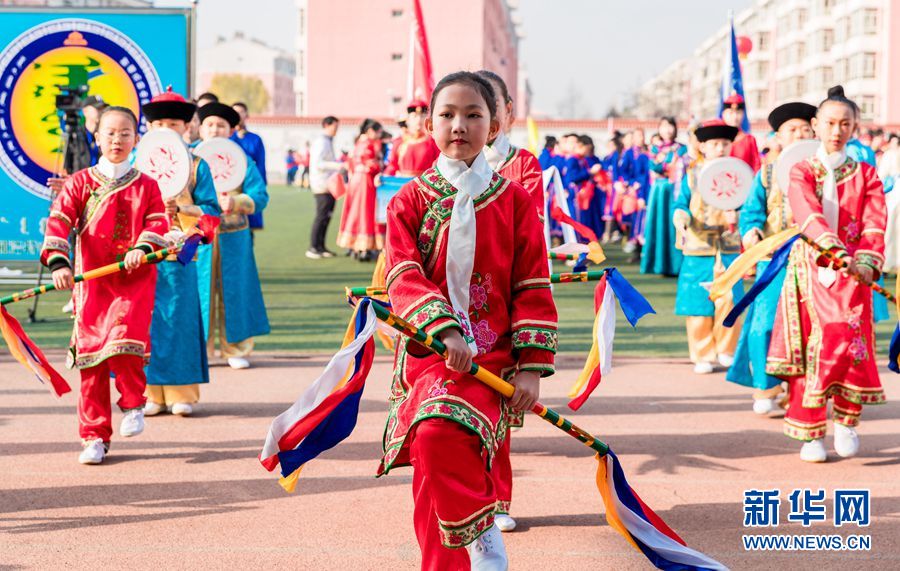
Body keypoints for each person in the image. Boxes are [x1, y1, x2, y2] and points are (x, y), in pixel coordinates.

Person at [379, 71, 556, 570]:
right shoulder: (408, 200)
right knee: (430, 461)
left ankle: (479, 542)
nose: (460, 125)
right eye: (448, 115)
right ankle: (463, 552)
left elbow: (532, 287)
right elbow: (403, 272)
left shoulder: (515, 202)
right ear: (429, 125)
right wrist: (444, 329)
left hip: (493, 360)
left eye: (474, 115)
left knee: (438, 441)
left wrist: (530, 366)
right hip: (430, 356)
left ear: (495, 124)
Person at [41, 106, 168, 465]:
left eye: (125, 133)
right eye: (110, 133)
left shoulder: (147, 185)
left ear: (136, 139)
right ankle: (94, 436)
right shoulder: (80, 182)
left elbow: (158, 222)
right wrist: (60, 264)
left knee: (125, 345)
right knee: (92, 360)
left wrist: (142, 248)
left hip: (133, 281)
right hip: (92, 283)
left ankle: (133, 405)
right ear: (97, 137)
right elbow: (58, 222)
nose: (117, 140)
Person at [766, 86, 887, 463]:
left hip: (854, 277)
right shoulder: (802, 169)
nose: (837, 130)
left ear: (855, 128)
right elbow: (807, 210)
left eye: (845, 124)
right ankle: (811, 431)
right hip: (810, 271)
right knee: (809, 348)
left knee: (850, 344)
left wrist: (867, 260)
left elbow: (875, 220)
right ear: (816, 125)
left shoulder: (866, 174)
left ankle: (847, 421)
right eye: (830, 123)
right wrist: (832, 250)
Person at [476, 68, 545, 535]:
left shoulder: (522, 165)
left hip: (501, 300)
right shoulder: (434, 171)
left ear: (504, 114)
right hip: (451, 308)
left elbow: (529, 227)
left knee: (497, 404)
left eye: (484, 107)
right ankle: (459, 498)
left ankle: (497, 501)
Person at [727, 102, 816, 414]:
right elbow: (751, 213)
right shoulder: (765, 174)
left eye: (806, 129)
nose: (800, 134)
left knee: (810, 328)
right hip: (774, 261)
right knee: (763, 325)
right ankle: (766, 388)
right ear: (778, 137)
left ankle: (804, 391)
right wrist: (750, 231)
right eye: (792, 129)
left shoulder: (824, 171)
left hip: (816, 263)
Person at [140, 89, 221, 417]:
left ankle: (181, 393)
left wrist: (185, 208)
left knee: (181, 321)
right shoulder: (137, 164)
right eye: (158, 123)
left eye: (173, 123)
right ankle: (150, 393)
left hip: (181, 254)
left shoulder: (198, 165)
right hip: (143, 255)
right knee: (147, 322)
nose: (165, 129)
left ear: (187, 127)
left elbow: (213, 211)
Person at [195, 102, 270, 370]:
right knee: (198, 291)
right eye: (210, 125)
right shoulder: (190, 159)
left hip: (234, 234)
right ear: (200, 129)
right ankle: (198, 348)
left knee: (236, 290)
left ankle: (235, 347)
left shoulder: (242, 160)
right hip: (197, 236)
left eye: (221, 125)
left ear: (230, 130)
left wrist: (236, 202)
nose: (215, 129)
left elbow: (260, 196)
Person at [672, 119, 744, 375]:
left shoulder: (739, 174)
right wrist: (681, 217)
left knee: (731, 299)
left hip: (728, 245)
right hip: (698, 246)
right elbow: (681, 203)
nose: (721, 148)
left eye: (725, 143)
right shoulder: (692, 175)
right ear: (702, 146)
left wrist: (740, 217)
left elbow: (749, 206)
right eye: (715, 143)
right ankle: (702, 353)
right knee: (698, 304)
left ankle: (727, 349)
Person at [641, 117, 686, 276]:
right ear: (659, 129)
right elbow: (654, 167)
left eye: (671, 126)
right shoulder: (654, 149)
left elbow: (664, 166)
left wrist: (665, 165)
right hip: (659, 190)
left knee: (674, 224)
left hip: (675, 188)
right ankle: (658, 265)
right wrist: (669, 165)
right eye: (664, 126)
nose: (668, 130)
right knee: (658, 225)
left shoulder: (681, 148)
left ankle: (675, 265)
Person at [336, 118, 382, 260]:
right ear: (370, 131)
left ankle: (356, 245)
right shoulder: (368, 144)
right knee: (366, 212)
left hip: (356, 179)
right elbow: (371, 164)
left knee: (356, 212)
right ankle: (364, 247)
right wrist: (379, 164)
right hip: (365, 180)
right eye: (378, 132)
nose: (379, 135)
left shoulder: (358, 143)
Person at [307, 116, 344, 259]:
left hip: (329, 184)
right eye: (335, 127)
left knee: (327, 217)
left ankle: (321, 247)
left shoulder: (327, 141)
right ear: (326, 125)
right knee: (321, 216)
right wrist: (338, 165)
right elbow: (319, 163)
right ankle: (313, 247)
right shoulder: (321, 142)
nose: (336, 130)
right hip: (321, 185)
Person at [231, 102, 267, 232]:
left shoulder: (255, 139)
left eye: (241, 112)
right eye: (235, 112)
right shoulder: (227, 138)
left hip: (249, 184)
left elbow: (261, 165)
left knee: (248, 226)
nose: (238, 115)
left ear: (247, 115)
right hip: (230, 186)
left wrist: (260, 186)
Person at [384, 100, 440, 177]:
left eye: (422, 116)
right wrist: (383, 177)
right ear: (408, 120)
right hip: (403, 185)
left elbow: (439, 167)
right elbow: (392, 166)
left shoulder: (433, 141)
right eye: (415, 116)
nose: (419, 120)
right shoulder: (399, 142)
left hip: (424, 185)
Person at [722, 93, 761, 172]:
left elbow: (756, 167)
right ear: (723, 114)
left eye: (738, 112)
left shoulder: (749, 139)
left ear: (743, 114)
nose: (735, 117)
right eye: (731, 113)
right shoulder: (717, 139)